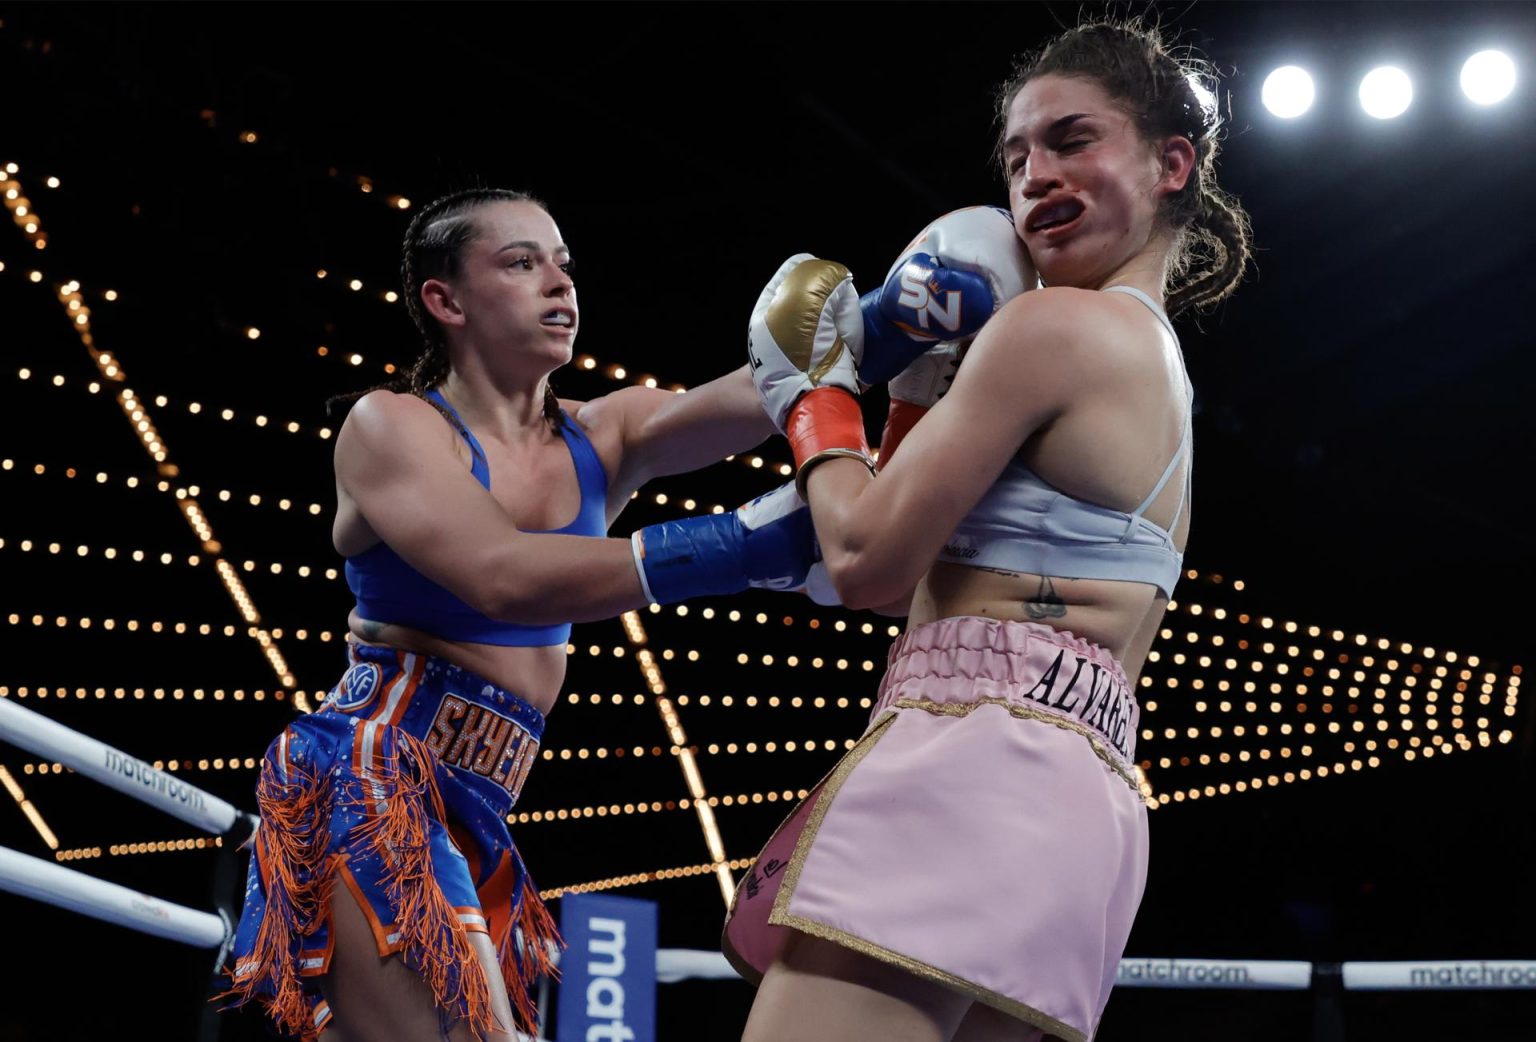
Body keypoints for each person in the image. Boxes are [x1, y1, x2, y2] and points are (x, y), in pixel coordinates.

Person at [219, 186, 989, 1042]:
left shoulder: (602, 434)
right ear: (446, 301)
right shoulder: (391, 427)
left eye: (563, 265)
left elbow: (766, 386)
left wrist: (898, 319)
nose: (560, 284)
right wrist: (745, 547)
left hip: (476, 805)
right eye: (520, 264)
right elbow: (502, 575)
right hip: (367, 774)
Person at [725, 20, 1253, 1042]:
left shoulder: (1049, 328)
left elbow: (865, 557)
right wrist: (916, 404)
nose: (1035, 176)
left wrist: (816, 395)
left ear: (1170, 164)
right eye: (1015, 157)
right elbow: (906, 569)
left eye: (1071, 140)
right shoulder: (1159, 369)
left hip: (973, 758)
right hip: (1081, 801)